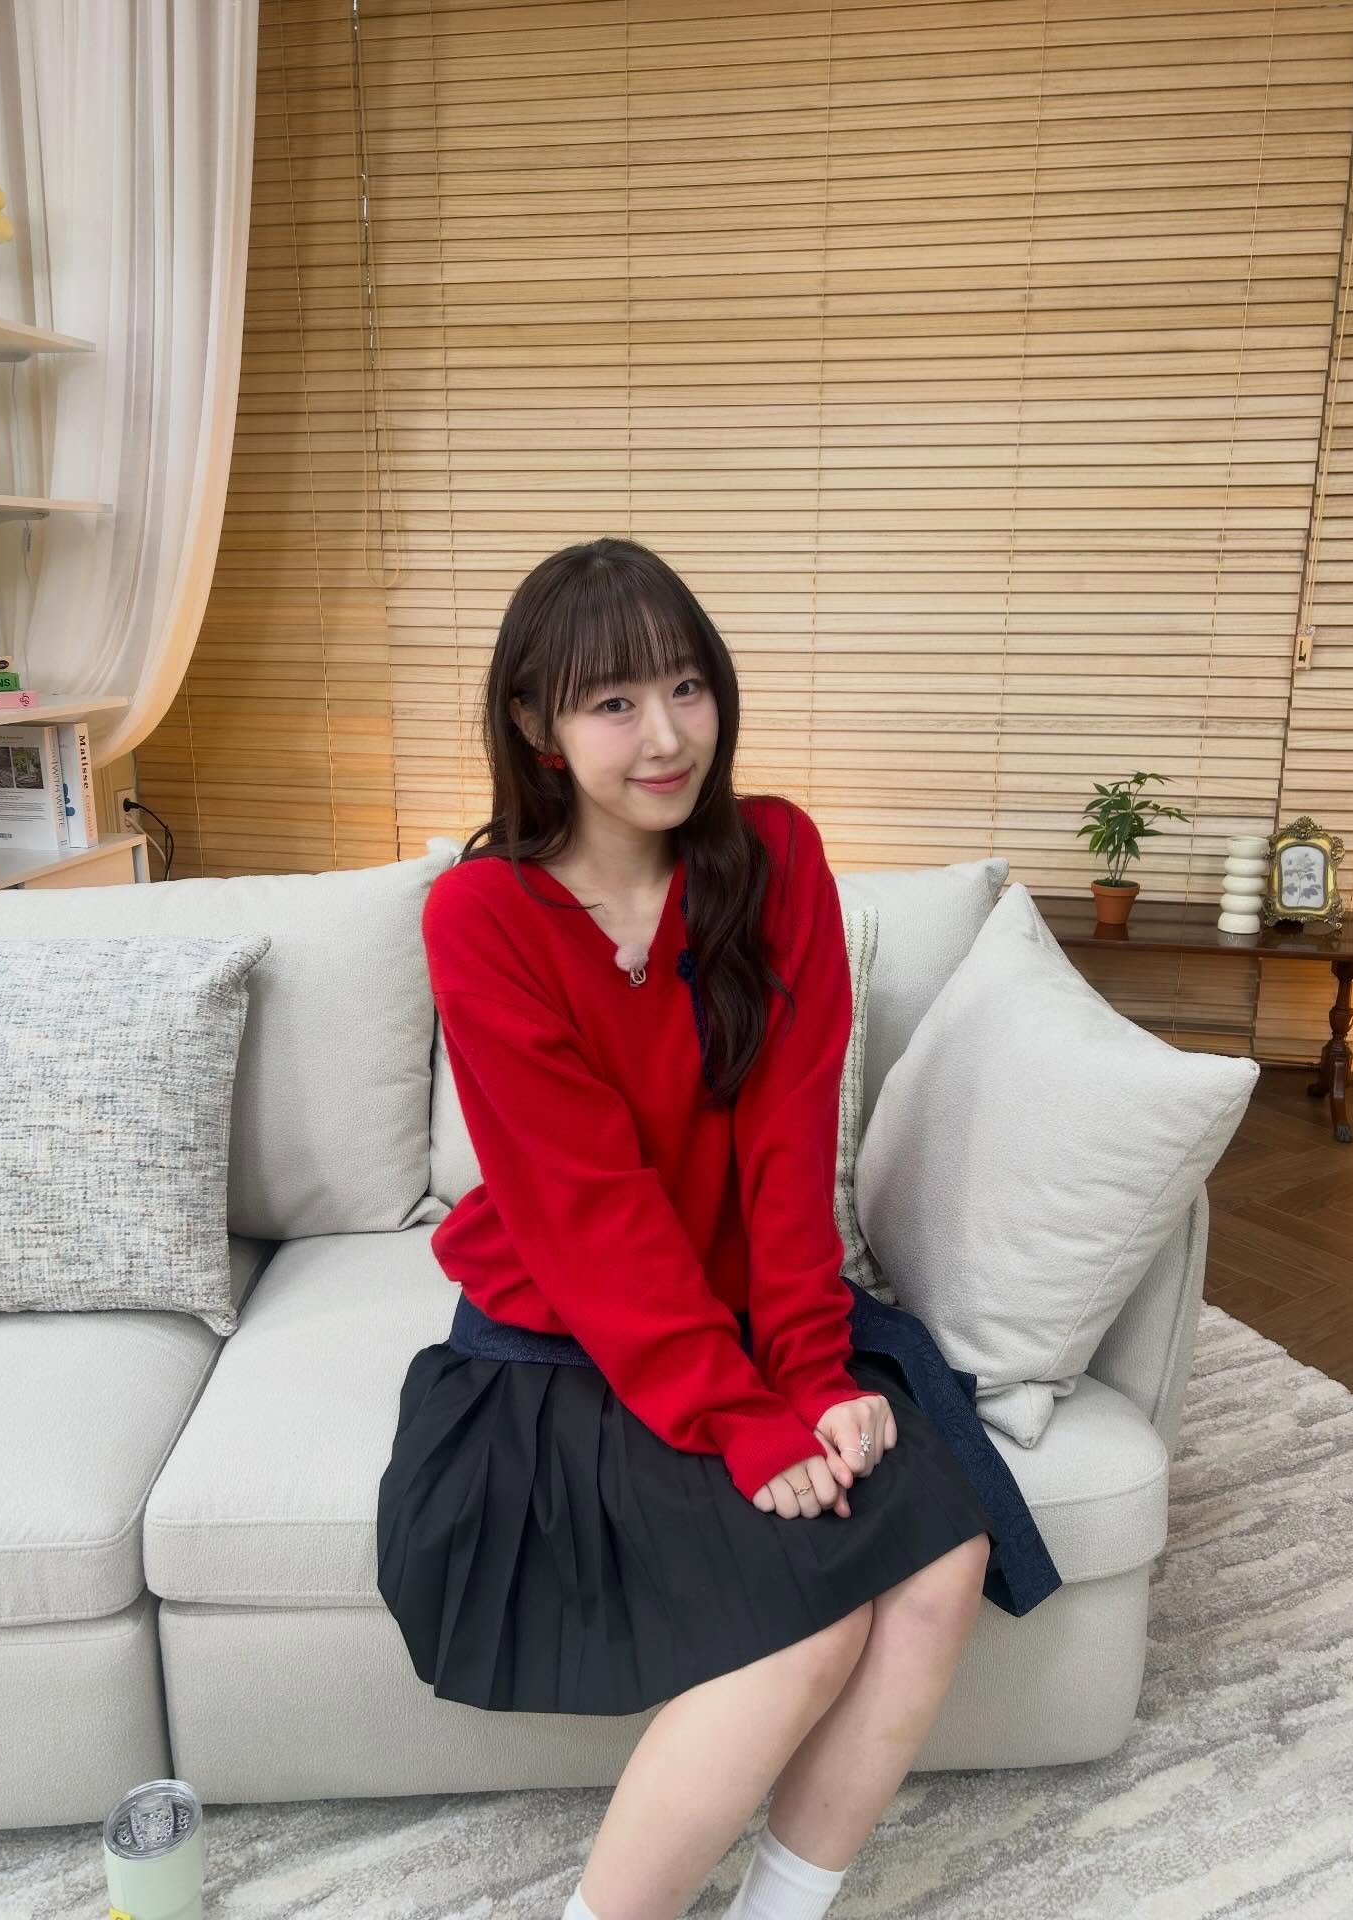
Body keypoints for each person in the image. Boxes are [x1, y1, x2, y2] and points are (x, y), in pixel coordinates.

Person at [376, 536, 1058, 1920]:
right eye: (615, 702)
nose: (668, 736)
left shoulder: (777, 857)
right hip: (564, 1336)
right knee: (808, 1623)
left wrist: (806, 1372)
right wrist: (738, 1416)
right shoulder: (482, 914)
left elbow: (789, 1149)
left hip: (755, 1320)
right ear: (537, 724)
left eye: (687, 686)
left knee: (945, 1559)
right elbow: (588, 1212)